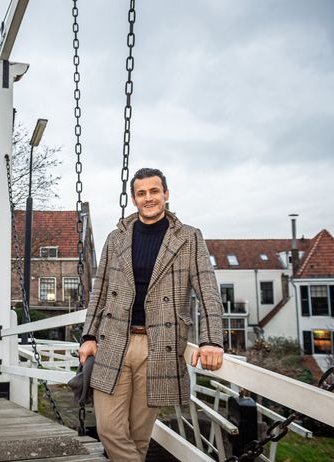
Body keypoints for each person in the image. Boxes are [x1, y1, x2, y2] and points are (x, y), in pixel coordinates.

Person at [78, 167, 224, 461]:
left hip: (160, 345)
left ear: (166, 195)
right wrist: (89, 335)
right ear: (134, 199)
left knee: (138, 434)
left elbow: (207, 291)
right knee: (109, 429)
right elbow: (101, 291)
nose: (149, 198)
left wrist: (212, 341)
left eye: (154, 191)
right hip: (114, 341)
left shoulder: (189, 238)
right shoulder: (115, 238)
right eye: (141, 193)